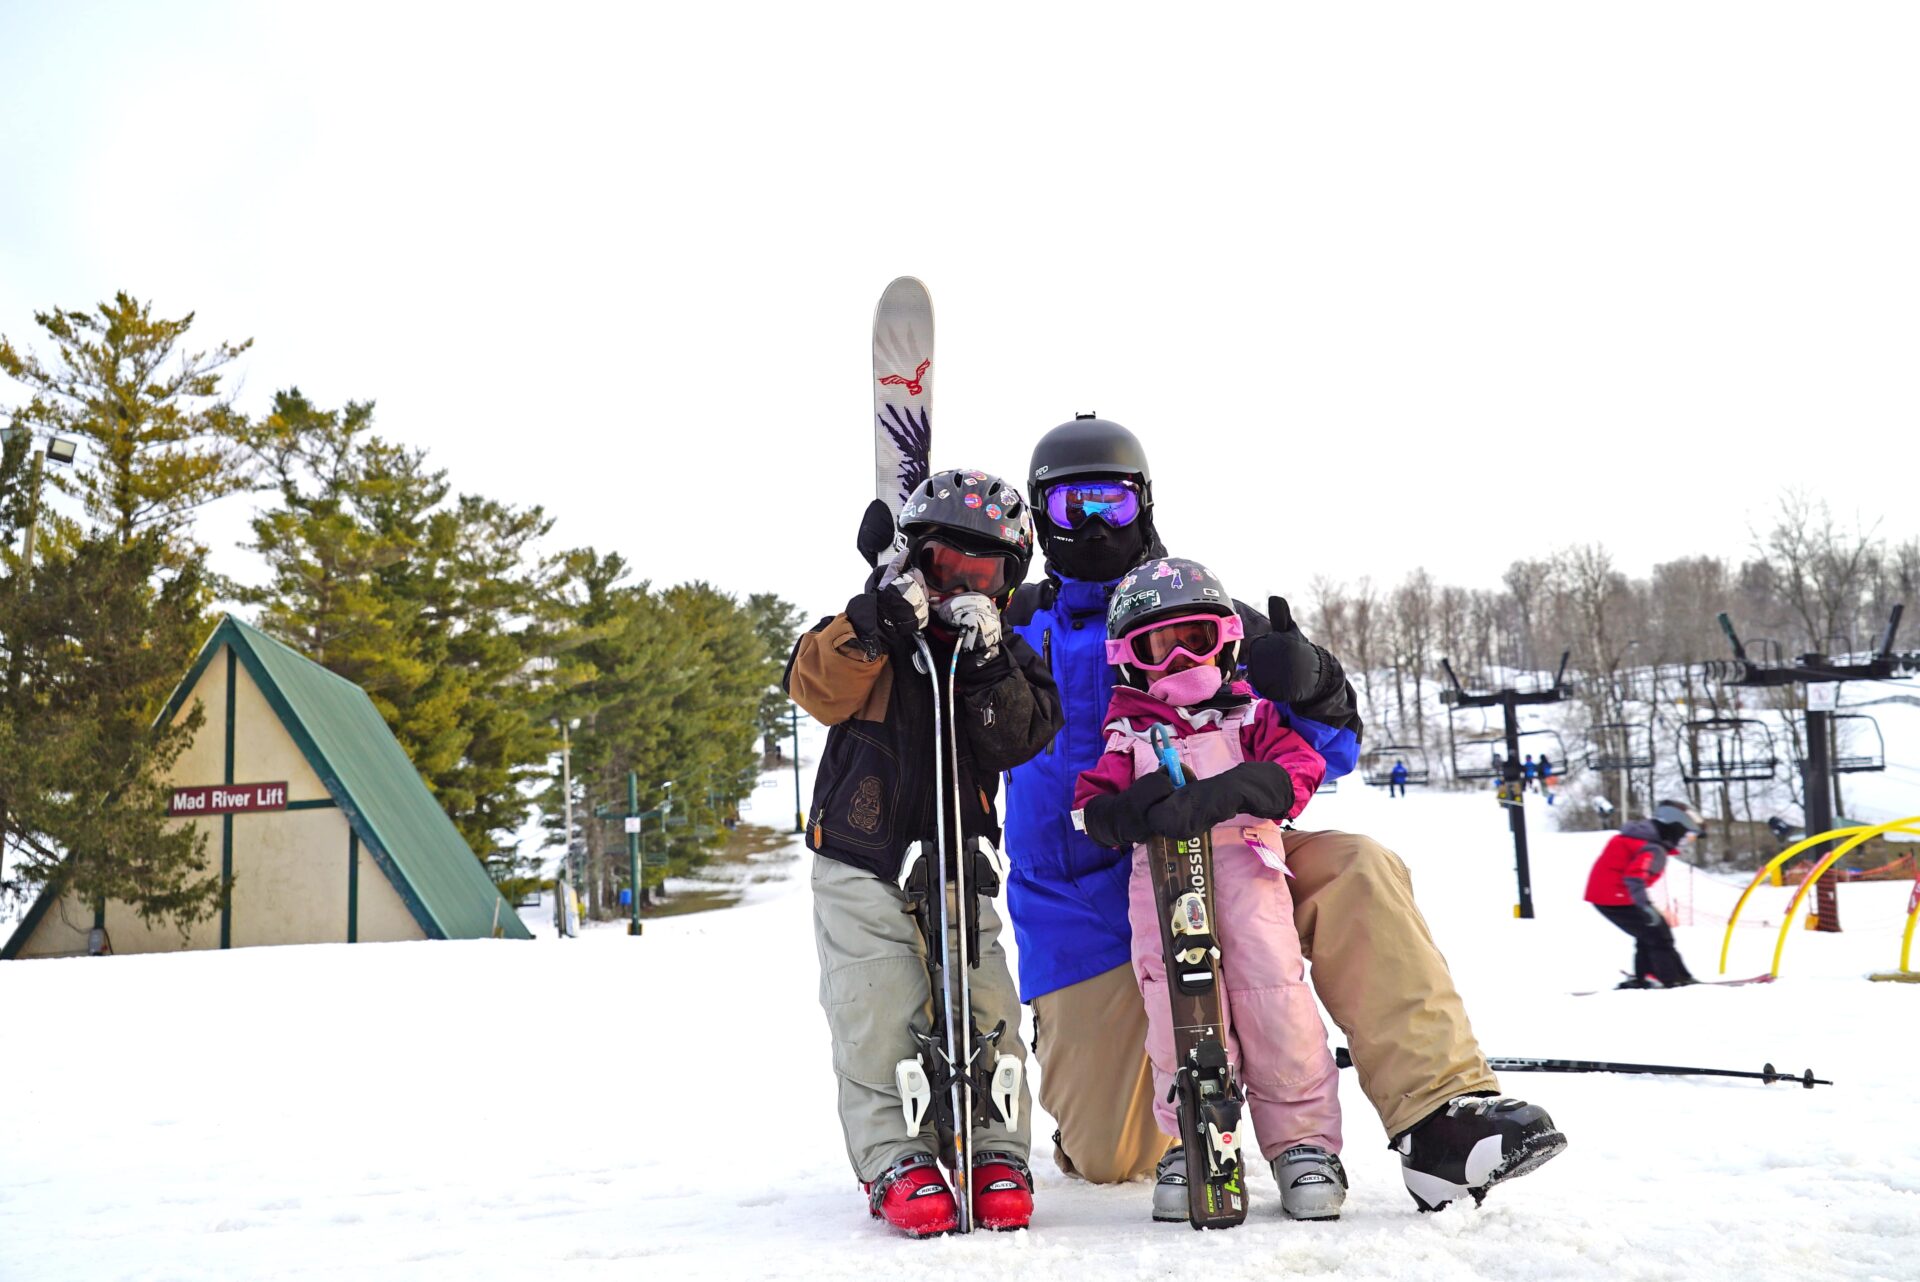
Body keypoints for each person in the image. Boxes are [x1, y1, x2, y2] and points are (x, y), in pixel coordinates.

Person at [1004, 415, 1565, 1217]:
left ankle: (1441, 1113)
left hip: (1236, 857)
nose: (1093, 526)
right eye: (1070, 508)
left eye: (1113, 505)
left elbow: (1329, 749)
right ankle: (1146, 1081)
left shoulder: (1199, 610)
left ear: (1147, 505)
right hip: (1084, 913)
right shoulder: (1010, 626)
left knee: (1358, 867)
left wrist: (1316, 686)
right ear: (1038, 517)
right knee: (1111, 1158)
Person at [784, 469, 1063, 1237]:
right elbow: (815, 687)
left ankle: (995, 1150)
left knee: (985, 1003)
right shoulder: (864, 634)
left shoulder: (1004, 657)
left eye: (984, 575)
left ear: (1009, 584)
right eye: (947, 569)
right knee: (877, 1008)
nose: (961, 589)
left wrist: (987, 663)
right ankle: (897, 1157)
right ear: (916, 561)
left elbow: (1018, 736)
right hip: (860, 857)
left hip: (956, 857)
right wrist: (874, 622)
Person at [1073, 556, 1345, 1221]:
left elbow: (1301, 766)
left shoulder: (1247, 717)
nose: (1180, 660)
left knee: (1276, 1003)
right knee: (1179, 1015)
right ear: (1129, 660)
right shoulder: (1129, 731)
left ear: (1226, 642)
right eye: (1158, 648)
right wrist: (1129, 808)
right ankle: (1190, 1133)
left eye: (1196, 640)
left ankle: (1303, 1143)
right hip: (1164, 895)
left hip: (1250, 882)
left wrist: (1246, 787)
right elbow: (1089, 807)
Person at [1584, 800, 1705, 988]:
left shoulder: (1638, 839)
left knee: (1649, 933)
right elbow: (1635, 878)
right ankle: (1670, 978)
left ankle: (1649, 975)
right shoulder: (1653, 848)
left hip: (1609, 896)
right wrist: (1645, 906)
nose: (1684, 842)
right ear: (1674, 828)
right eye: (1685, 836)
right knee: (1659, 934)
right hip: (1615, 897)